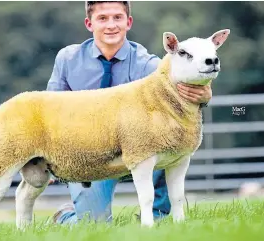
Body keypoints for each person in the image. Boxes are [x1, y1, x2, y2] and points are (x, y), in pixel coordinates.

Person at [46, 1, 212, 224]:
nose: (111, 25)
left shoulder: (150, 65)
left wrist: (204, 96)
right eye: (102, 18)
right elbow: (50, 109)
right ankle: (64, 217)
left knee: (170, 143)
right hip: (92, 154)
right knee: (95, 226)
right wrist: (46, 154)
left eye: (118, 17)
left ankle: (157, 218)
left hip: (143, 150)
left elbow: (189, 81)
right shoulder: (67, 59)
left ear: (128, 22)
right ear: (89, 23)